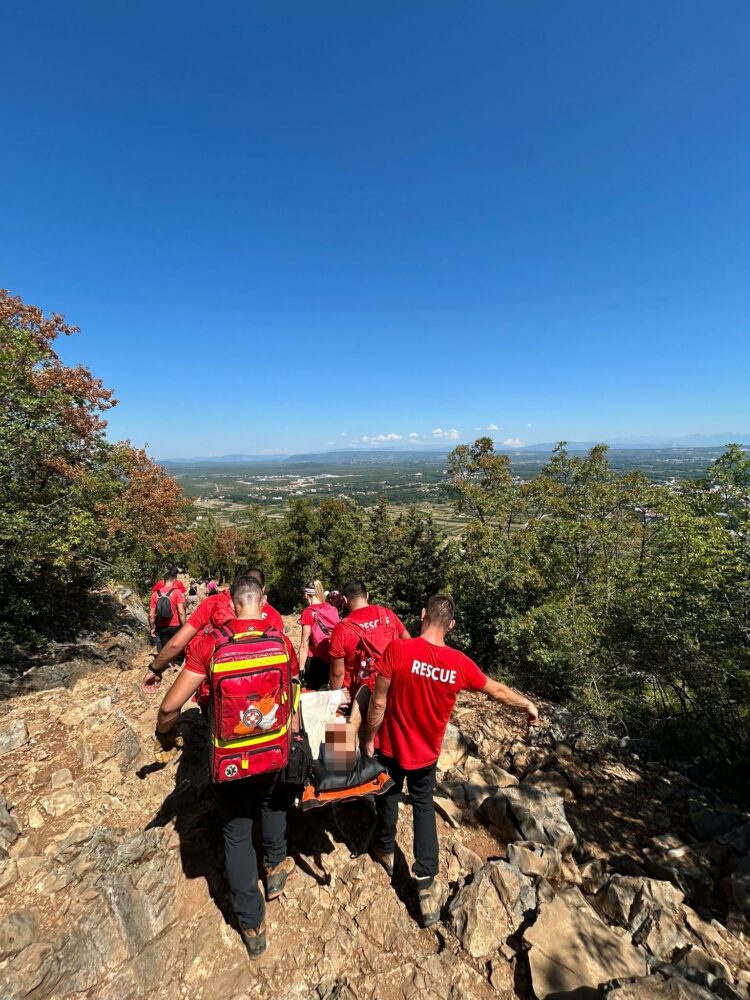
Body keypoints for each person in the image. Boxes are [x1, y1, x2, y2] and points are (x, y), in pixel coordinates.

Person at [362, 594, 539, 928]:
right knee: (423, 806)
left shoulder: (398, 650)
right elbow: (497, 690)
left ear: (422, 614)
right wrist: (527, 704)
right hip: (426, 755)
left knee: (387, 796)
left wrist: (369, 737)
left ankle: (385, 850)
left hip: (392, 747)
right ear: (452, 625)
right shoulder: (458, 663)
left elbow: (378, 702)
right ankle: (426, 885)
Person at [153, 575, 299, 960]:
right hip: (274, 748)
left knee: (236, 831)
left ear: (232, 605)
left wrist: (164, 732)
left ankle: (252, 925)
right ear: (263, 602)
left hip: (231, 757)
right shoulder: (282, 642)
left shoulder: (212, 644)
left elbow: (170, 706)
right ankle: (276, 870)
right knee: (272, 804)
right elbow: (293, 693)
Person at [142, 568, 283, 692]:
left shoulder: (211, 603)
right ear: (263, 590)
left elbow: (176, 644)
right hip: (260, 689)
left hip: (214, 684)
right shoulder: (274, 616)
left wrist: (154, 668)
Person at [328, 580, 410, 728]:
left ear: (345, 600)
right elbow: (408, 643)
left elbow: (337, 674)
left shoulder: (342, 628)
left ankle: (342, 743)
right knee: (377, 736)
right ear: (367, 595)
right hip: (389, 691)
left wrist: (334, 699)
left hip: (354, 698)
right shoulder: (388, 614)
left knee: (339, 738)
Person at [297, 580, 340, 690]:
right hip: (332, 657)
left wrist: (300, 671)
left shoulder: (308, 612)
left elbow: (304, 644)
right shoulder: (331, 608)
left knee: (314, 693)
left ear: (306, 594)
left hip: (315, 660)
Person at [148, 570, 186, 653]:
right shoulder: (177, 592)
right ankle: (178, 660)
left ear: (164, 581)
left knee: (166, 651)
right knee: (178, 650)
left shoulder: (155, 594)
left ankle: (167, 660)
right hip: (175, 626)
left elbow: (151, 615)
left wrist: (152, 628)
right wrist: (184, 626)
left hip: (161, 627)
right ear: (173, 580)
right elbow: (181, 613)